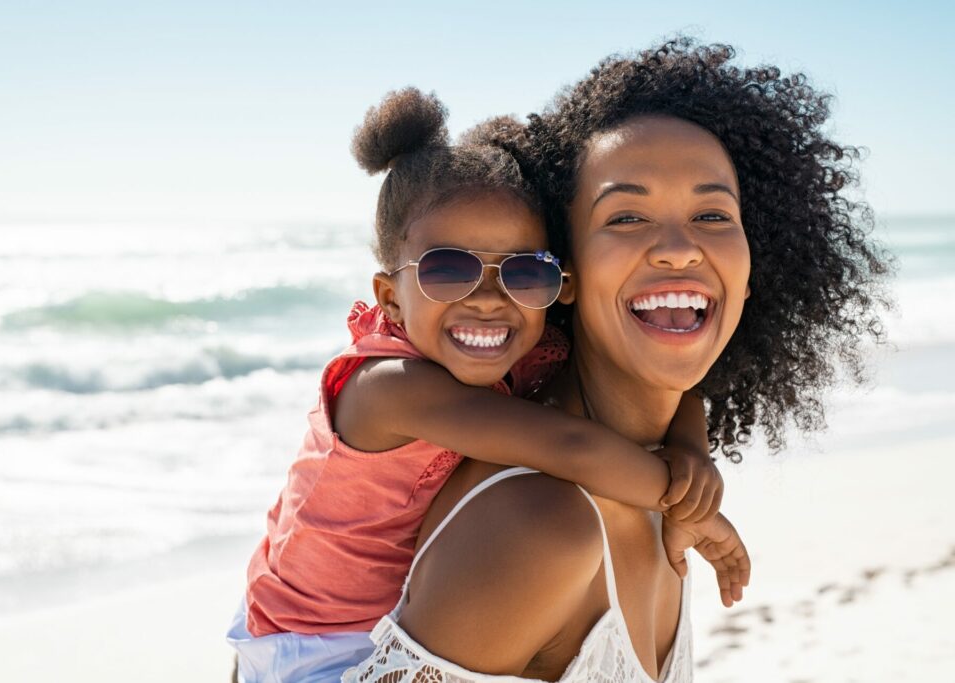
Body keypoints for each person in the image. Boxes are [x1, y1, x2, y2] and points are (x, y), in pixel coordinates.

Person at [346, 38, 890, 682]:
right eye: (627, 215)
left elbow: (680, 403)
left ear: (750, 273)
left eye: (713, 213)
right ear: (564, 276)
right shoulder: (542, 526)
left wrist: (692, 452)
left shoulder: (665, 485)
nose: (679, 248)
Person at [227, 87, 744, 683]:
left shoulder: (515, 353)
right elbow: (568, 446)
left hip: (378, 620)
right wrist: (692, 506)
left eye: (525, 272)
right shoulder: (389, 388)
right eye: (449, 270)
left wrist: (691, 451)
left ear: (557, 283)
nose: (492, 299)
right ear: (391, 297)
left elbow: (676, 389)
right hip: (309, 642)